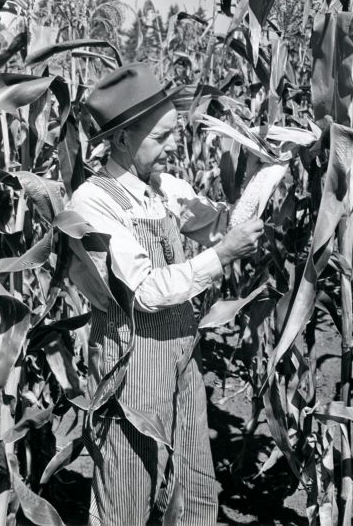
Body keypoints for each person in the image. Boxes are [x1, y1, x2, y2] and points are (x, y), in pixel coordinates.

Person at [69, 62, 264, 526]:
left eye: (174, 133)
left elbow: (217, 223)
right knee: (128, 488)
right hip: (131, 364)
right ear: (120, 140)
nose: (174, 145)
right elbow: (144, 291)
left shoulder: (163, 189)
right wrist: (222, 257)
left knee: (195, 483)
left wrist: (262, 173)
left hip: (181, 354)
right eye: (161, 137)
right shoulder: (93, 202)